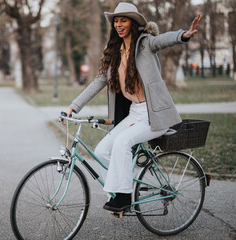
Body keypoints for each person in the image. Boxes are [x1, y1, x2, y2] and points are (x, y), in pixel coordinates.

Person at [64, 2, 202, 213]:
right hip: (135, 113)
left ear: (133, 22)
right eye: (116, 21)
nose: (119, 24)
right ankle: (124, 183)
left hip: (155, 115)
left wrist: (184, 35)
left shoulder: (145, 44)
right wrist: (73, 107)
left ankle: (124, 196)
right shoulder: (114, 52)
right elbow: (97, 82)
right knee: (102, 150)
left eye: (123, 20)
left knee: (122, 141)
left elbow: (161, 40)